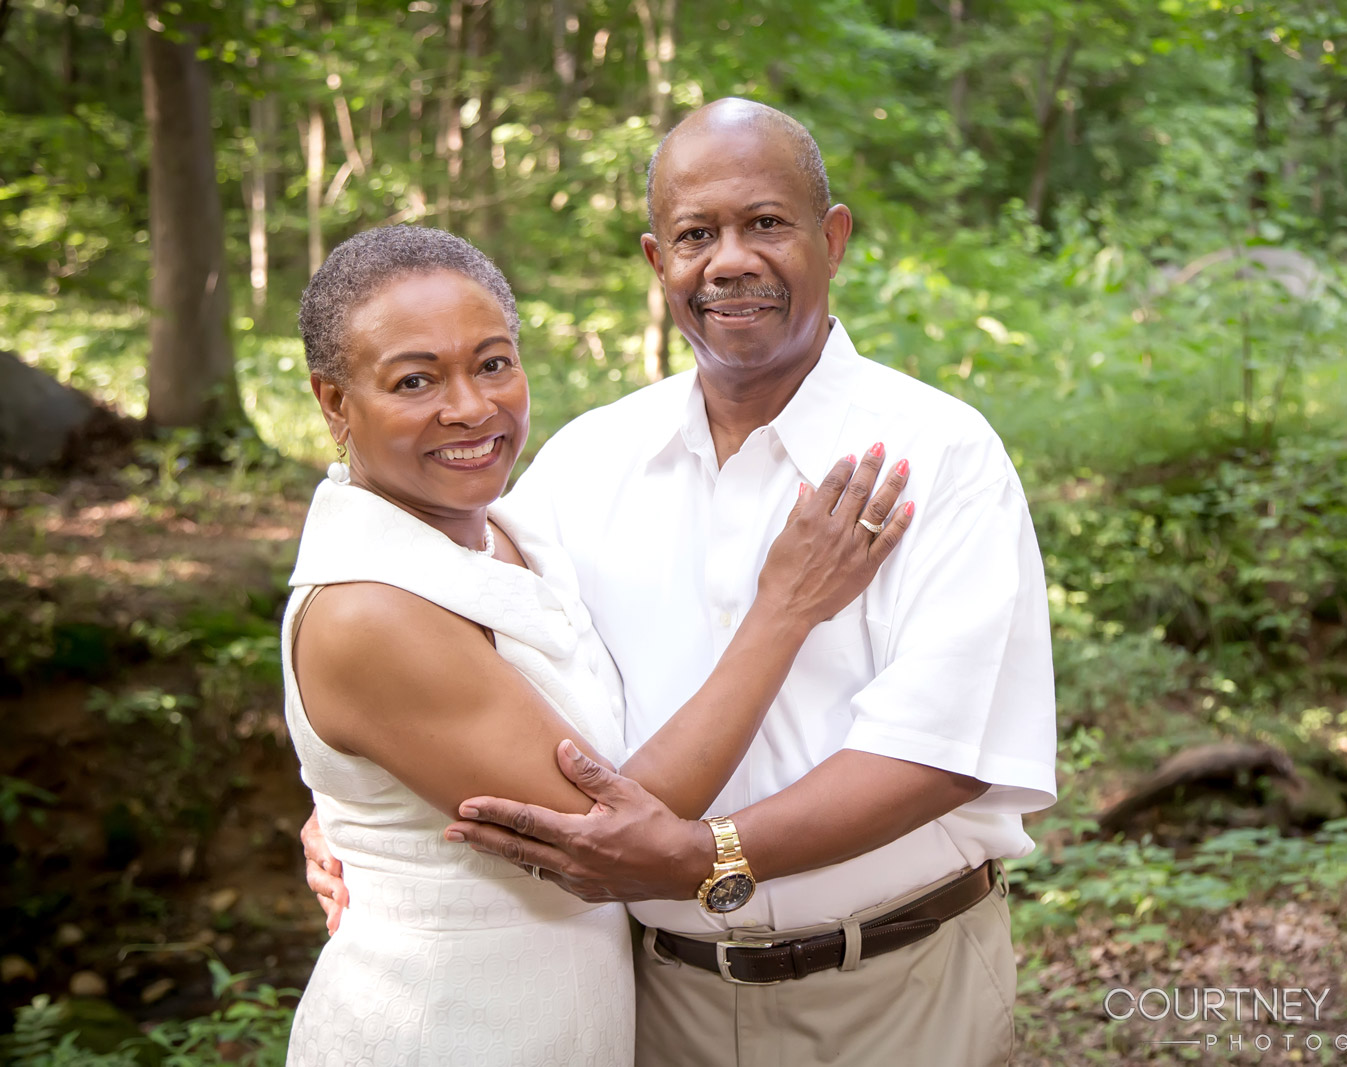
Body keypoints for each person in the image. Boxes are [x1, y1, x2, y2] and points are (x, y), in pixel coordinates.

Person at [306, 98, 1058, 1066]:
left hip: (893, 986)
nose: (730, 259)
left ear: (831, 239)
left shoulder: (932, 453)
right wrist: (355, 792)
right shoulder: (588, 459)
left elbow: (943, 751)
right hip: (654, 996)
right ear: (659, 262)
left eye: (766, 223)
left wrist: (713, 856)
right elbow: (467, 654)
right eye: (698, 234)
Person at [282, 223, 915, 1066]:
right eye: (415, 380)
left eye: (494, 362)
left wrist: (352, 807)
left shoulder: (511, 522)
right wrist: (786, 609)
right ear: (335, 402)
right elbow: (605, 834)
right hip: (442, 1027)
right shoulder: (368, 610)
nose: (470, 406)